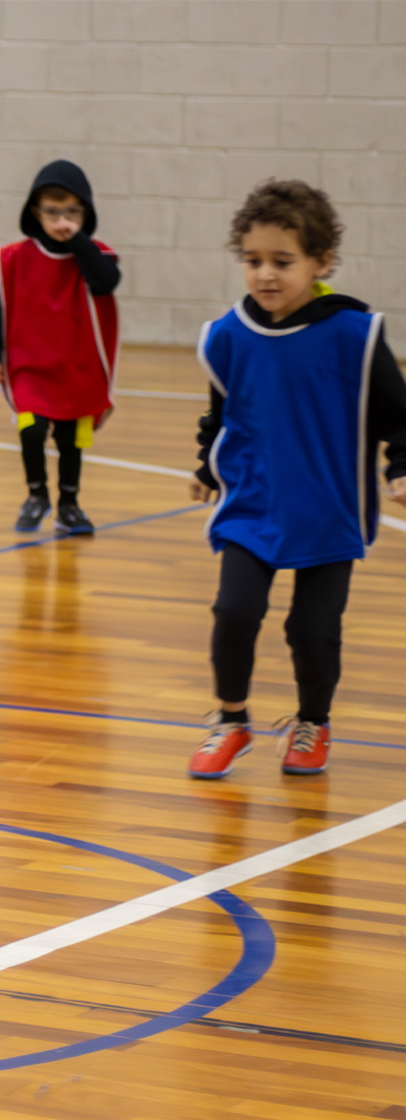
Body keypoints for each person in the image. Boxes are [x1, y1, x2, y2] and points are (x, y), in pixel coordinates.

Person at [186, 179, 406, 779]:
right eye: (252, 260)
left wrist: (401, 466)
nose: (265, 275)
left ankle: (313, 722)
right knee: (234, 611)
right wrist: (207, 464)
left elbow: (398, 414)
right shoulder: (229, 335)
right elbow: (222, 413)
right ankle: (231, 721)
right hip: (253, 505)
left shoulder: (354, 336)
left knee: (313, 629)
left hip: (328, 509)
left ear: (321, 263)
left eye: (282, 262)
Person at [0, 159, 121, 537]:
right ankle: (36, 495)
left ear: (86, 213)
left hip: (75, 368)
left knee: (71, 439)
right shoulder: (13, 260)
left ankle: (69, 505)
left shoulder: (93, 256)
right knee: (30, 427)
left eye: (72, 212)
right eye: (53, 212)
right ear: (35, 212)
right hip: (31, 367)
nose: (62, 220)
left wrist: (77, 240)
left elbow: (106, 283)